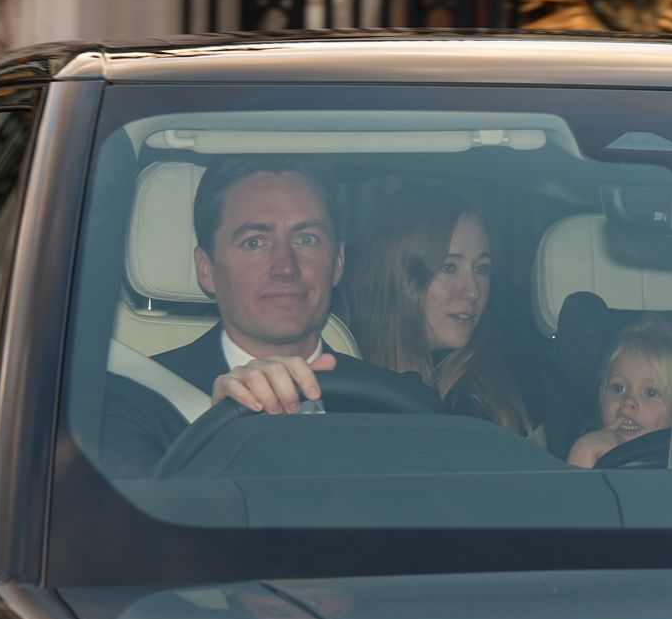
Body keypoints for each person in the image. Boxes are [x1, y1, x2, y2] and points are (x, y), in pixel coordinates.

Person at [102, 158, 439, 477]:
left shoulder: (403, 403)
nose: (285, 267)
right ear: (207, 270)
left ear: (337, 262)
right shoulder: (133, 401)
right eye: (254, 242)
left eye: (307, 239)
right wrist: (220, 432)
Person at [341, 187, 535, 438]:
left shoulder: (515, 384)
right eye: (449, 267)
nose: (473, 292)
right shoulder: (341, 381)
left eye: (482, 269)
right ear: (397, 277)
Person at [568, 319, 672, 468]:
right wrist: (584, 455)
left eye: (651, 392)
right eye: (618, 388)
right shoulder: (591, 447)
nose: (628, 401)